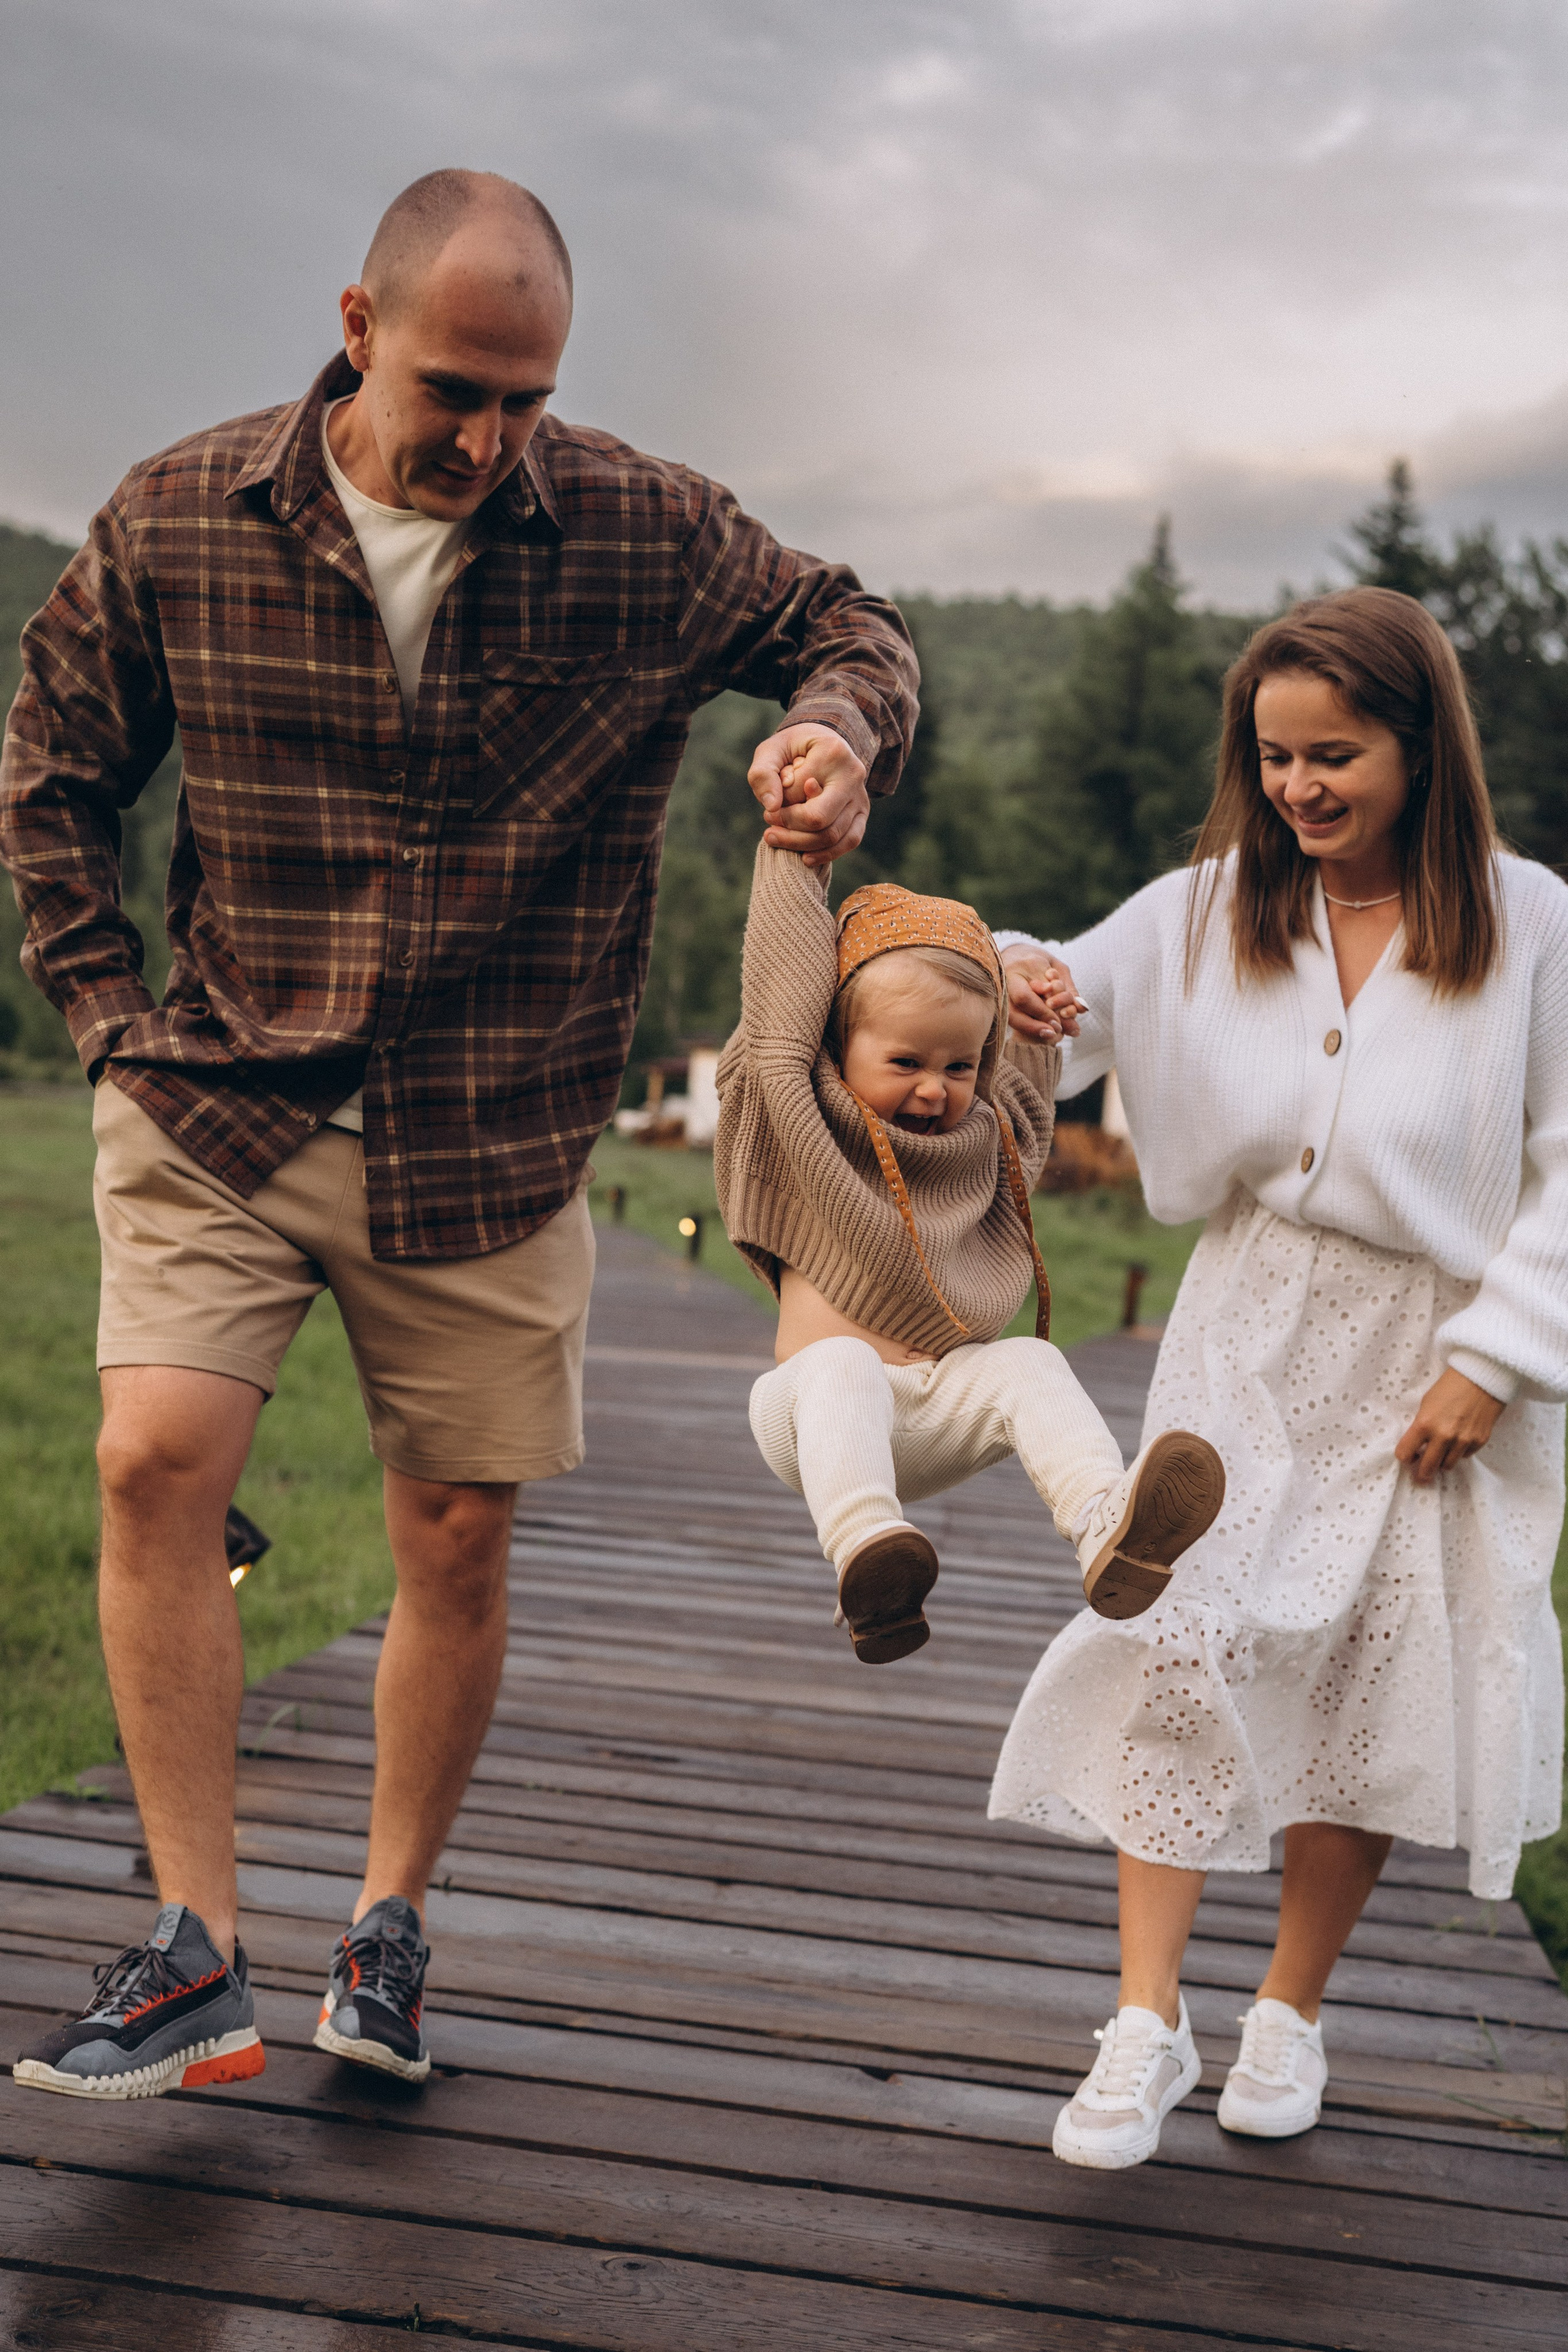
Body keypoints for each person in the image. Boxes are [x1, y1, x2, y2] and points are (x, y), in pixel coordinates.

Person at [0, 169, 918, 2101]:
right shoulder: (176, 519)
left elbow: (851, 618)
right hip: (223, 1093)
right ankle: (193, 1946)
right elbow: (53, 777)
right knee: (156, 1458)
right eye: (453, 393)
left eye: (526, 400)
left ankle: (387, 1927)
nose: (491, 443)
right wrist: (106, 1023)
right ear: (358, 325)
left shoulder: (639, 531)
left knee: (460, 1535)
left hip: (494, 1122)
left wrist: (837, 724)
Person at [990, 586, 1568, 2171]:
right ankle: (1145, 2017)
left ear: (1422, 749)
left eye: (1337, 757)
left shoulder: (1532, 926)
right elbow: (1047, 989)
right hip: (1243, 1325)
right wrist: (1013, 984)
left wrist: (1498, 1360)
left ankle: (1293, 2011)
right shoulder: (1205, 908)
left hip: (1428, 1359)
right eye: (1276, 760)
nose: (1302, 790)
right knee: (1176, 1631)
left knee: (1373, 1683)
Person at [714, 834, 1225, 1660]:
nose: (933, 1086)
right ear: (837, 1050)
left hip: (934, 1410)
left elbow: (1020, 1086)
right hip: (812, 1417)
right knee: (842, 1362)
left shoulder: (983, 1144)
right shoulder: (798, 1115)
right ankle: (869, 1558)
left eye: (959, 1066)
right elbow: (782, 987)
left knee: (1027, 1364)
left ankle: (1107, 1526)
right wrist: (795, 849)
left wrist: (1029, 999)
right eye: (905, 1060)